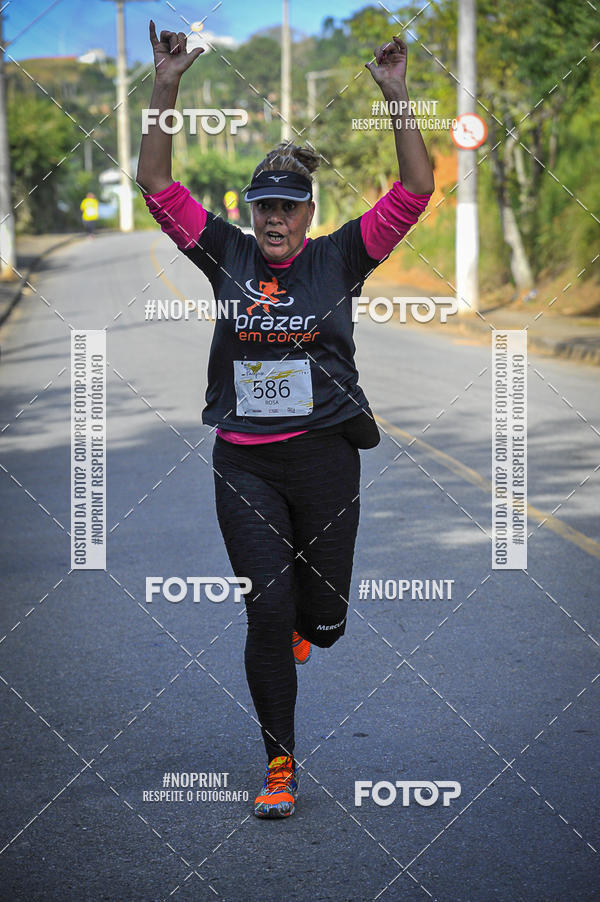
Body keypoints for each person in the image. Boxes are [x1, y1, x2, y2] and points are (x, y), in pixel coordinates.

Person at [136, 21, 434, 819]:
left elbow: (414, 193)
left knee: (323, 621)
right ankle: (279, 767)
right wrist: (166, 86)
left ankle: (315, 619)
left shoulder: (339, 258)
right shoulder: (224, 254)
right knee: (265, 611)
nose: (276, 221)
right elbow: (156, 185)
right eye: (265, 208)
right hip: (246, 462)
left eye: (289, 210)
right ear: (250, 210)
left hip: (328, 456)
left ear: (308, 214)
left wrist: (398, 98)